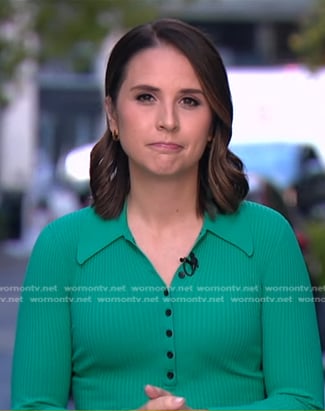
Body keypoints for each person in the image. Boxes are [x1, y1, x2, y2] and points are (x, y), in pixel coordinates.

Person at [11, 18, 324, 410]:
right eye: (146, 97)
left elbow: (304, 401)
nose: (168, 121)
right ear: (112, 114)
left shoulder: (269, 238)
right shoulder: (61, 246)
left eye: (190, 101)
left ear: (214, 122)